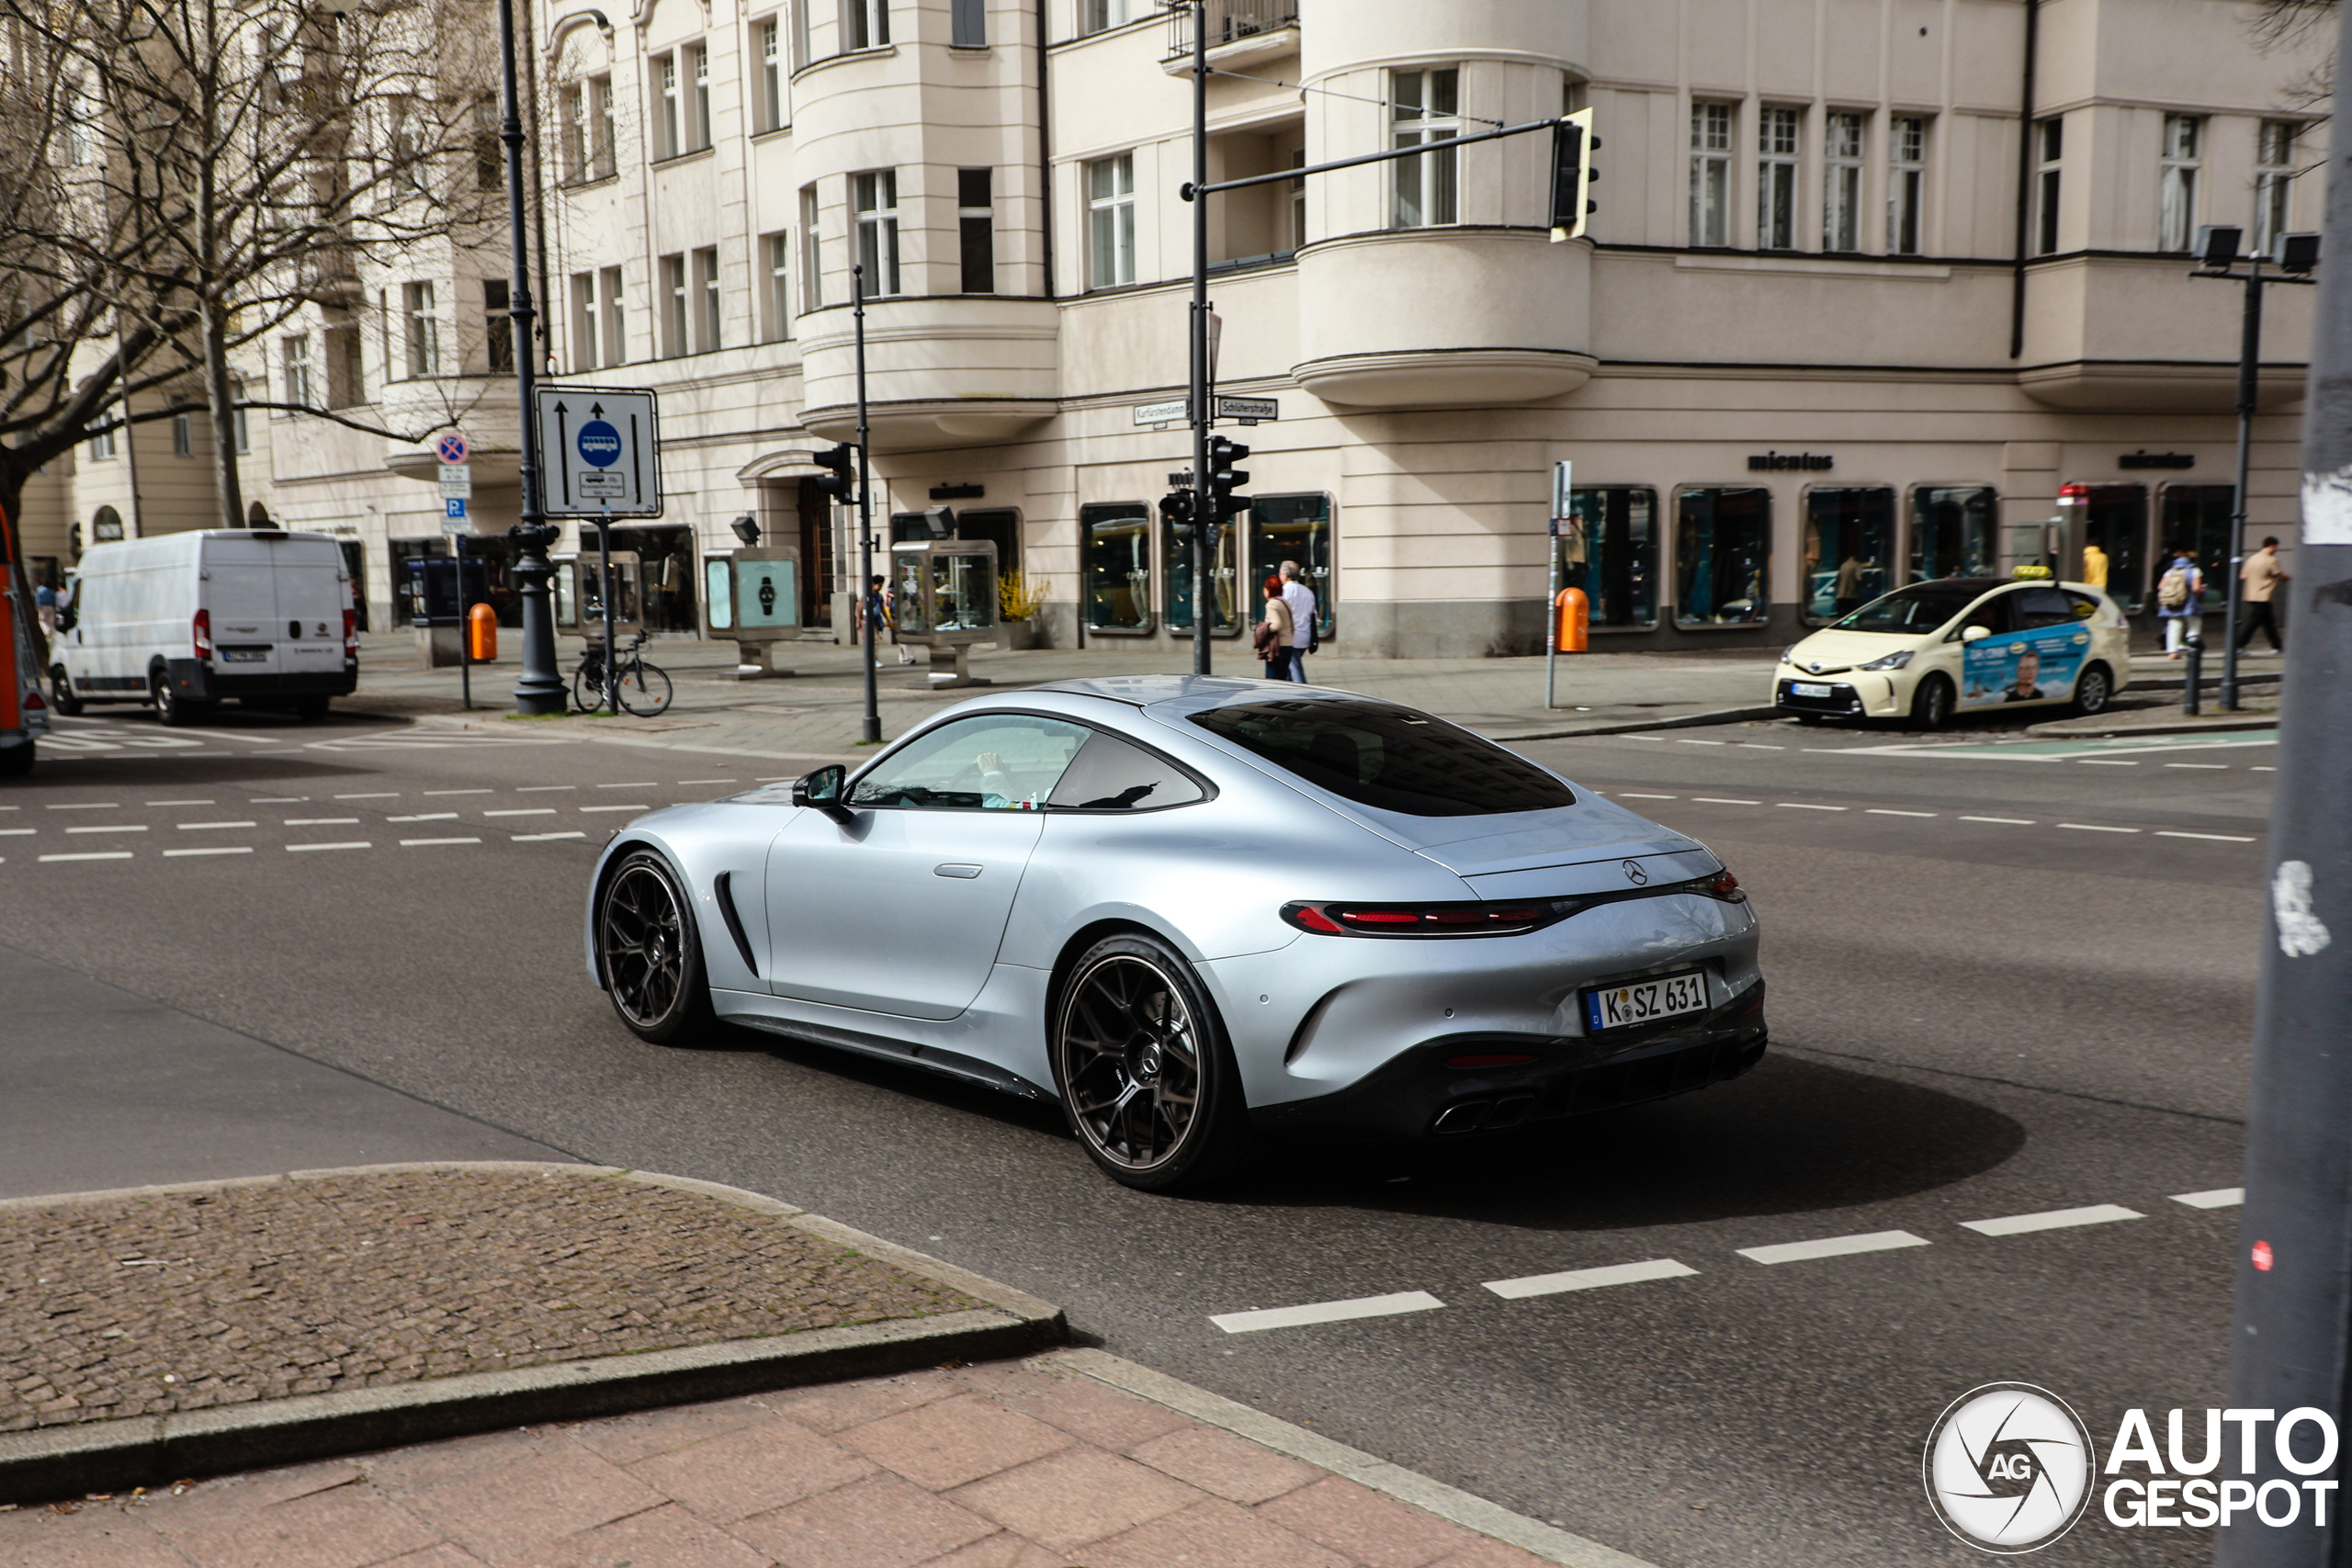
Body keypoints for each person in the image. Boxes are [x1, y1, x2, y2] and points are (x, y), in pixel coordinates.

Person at [2238, 536, 2289, 653]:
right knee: (2254, 622)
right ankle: (2238, 645)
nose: (2276, 550)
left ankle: (2277, 646)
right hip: (2263, 595)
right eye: (2276, 547)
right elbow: (2280, 576)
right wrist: (2290, 578)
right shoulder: (2271, 560)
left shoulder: (2252, 558)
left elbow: (2243, 576)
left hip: (2251, 594)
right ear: (2272, 546)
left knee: (2269, 622)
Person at [2154, 547, 2203, 658]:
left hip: (2173, 602)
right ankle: (2193, 649)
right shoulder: (2195, 571)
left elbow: (2160, 586)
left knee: (2174, 625)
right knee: (2194, 624)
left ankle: (2172, 652)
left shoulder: (2171, 571)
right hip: (2190, 603)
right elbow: (2196, 588)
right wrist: (2201, 593)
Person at [1279, 561, 1315, 683]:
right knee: (1288, 669)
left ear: (1285, 575)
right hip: (1305, 635)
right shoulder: (1307, 592)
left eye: (1280, 573)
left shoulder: (1284, 592)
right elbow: (1312, 615)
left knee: (1295, 670)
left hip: (1290, 638)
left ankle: (1303, 693)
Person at [1252, 575, 1293, 680]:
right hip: (1288, 644)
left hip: (1277, 646)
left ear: (1268, 590)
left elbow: (1276, 625)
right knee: (1283, 678)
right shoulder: (1284, 602)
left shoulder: (1271, 604)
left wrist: (1262, 629)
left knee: (1273, 679)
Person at [1832, 552, 1870, 617]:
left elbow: (1839, 577)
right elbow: (1859, 578)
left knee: (1842, 615)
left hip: (1841, 594)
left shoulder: (1843, 565)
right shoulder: (1857, 565)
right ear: (1856, 556)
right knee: (1852, 615)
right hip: (1852, 594)